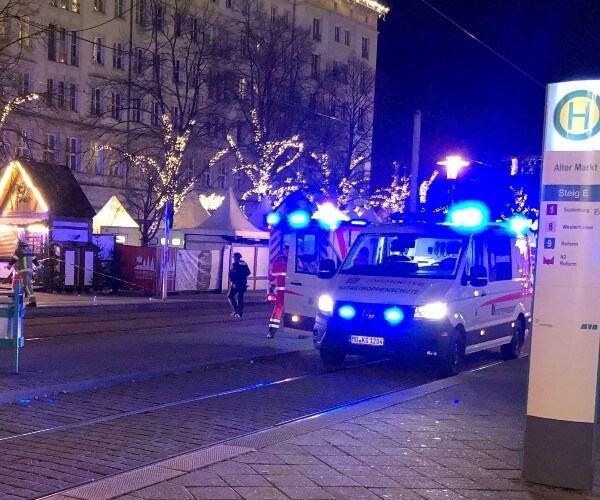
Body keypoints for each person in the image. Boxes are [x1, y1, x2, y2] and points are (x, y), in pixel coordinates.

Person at [7, 239, 40, 307]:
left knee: (27, 286)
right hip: (30, 271)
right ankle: (17, 299)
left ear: (20, 244)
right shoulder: (29, 250)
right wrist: (38, 266)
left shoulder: (19, 251)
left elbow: (14, 259)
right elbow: (34, 260)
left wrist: (9, 265)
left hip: (23, 271)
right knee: (22, 286)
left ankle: (33, 302)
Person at [228, 252, 251, 318]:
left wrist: (234, 281)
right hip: (243, 283)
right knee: (239, 297)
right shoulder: (244, 263)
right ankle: (238, 312)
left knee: (231, 296)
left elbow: (234, 274)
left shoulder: (236, 264)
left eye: (234, 257)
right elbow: (248, 272)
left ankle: (237, 311)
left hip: (237, 283)